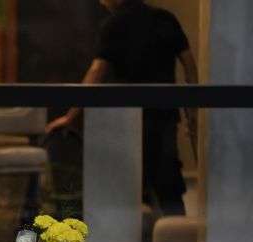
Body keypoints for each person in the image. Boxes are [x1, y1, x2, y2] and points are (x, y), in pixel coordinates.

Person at [47, 0, 198, 216]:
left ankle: (133, 235)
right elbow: (189, 65)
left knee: (128, 185)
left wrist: (72, 116)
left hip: (129, 119)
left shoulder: (115, 24)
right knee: (168, 184)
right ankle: (176, 233)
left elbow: (96, 73)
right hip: (164, 115)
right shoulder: (165, 18)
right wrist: (192, 112)